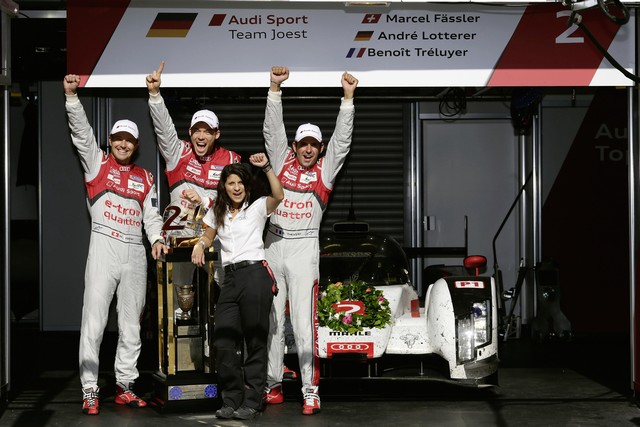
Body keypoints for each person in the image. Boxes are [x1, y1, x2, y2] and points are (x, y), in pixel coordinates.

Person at [64, 74, 168, 415]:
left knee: (131, 324)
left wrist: (155, 239)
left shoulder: (146, 177)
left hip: (135, 251)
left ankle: (125, 385)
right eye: (118, 139)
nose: (123, 144)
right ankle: (90, 388)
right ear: (110, 140)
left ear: (136, 145)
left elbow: (151, 216)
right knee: (93, 320)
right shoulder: (96, 164)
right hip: (104, 245)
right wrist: (72, 99)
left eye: (129, 141)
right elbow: (81, 134)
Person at [263, 66, 358, 415]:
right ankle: (271, 384)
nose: (307, 149)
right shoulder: (280, 159)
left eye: (313, 145)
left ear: (319, 149)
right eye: (302, 144)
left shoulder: (326, 170)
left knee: (304, 323)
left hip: (304, 248)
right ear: (293, 146)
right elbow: (272, 128)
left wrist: (347, 99)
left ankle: (310, 390)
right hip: (272, 245)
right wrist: (275, 89)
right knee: (272, 320)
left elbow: (343, 141)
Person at [191, 153, 284, 420]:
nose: (236, 187)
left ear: (246, 185)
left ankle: (253, 400)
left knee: (255, 340)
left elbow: (278, 195)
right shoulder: (216, 210)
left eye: (241, 182)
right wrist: (200, 245)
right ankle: (231, 398)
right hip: (229, 279)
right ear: (224, 186)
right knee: (223, 341)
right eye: (231, 182)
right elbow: (208, 234)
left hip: (255, 274)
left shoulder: (256, 208)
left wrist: (266, 168)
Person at [146, 61, 240, 288]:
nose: (201, 136)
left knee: (229, 288)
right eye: (197, 130)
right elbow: (163, 128)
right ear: (189, 132)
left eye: (207, 131)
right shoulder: (178, 152)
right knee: (180, 296)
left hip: (216, 231)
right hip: (180, 232)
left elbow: (237, 201)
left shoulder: (230, 159)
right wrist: (155, 95)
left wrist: (205, 201)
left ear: (217, 134)